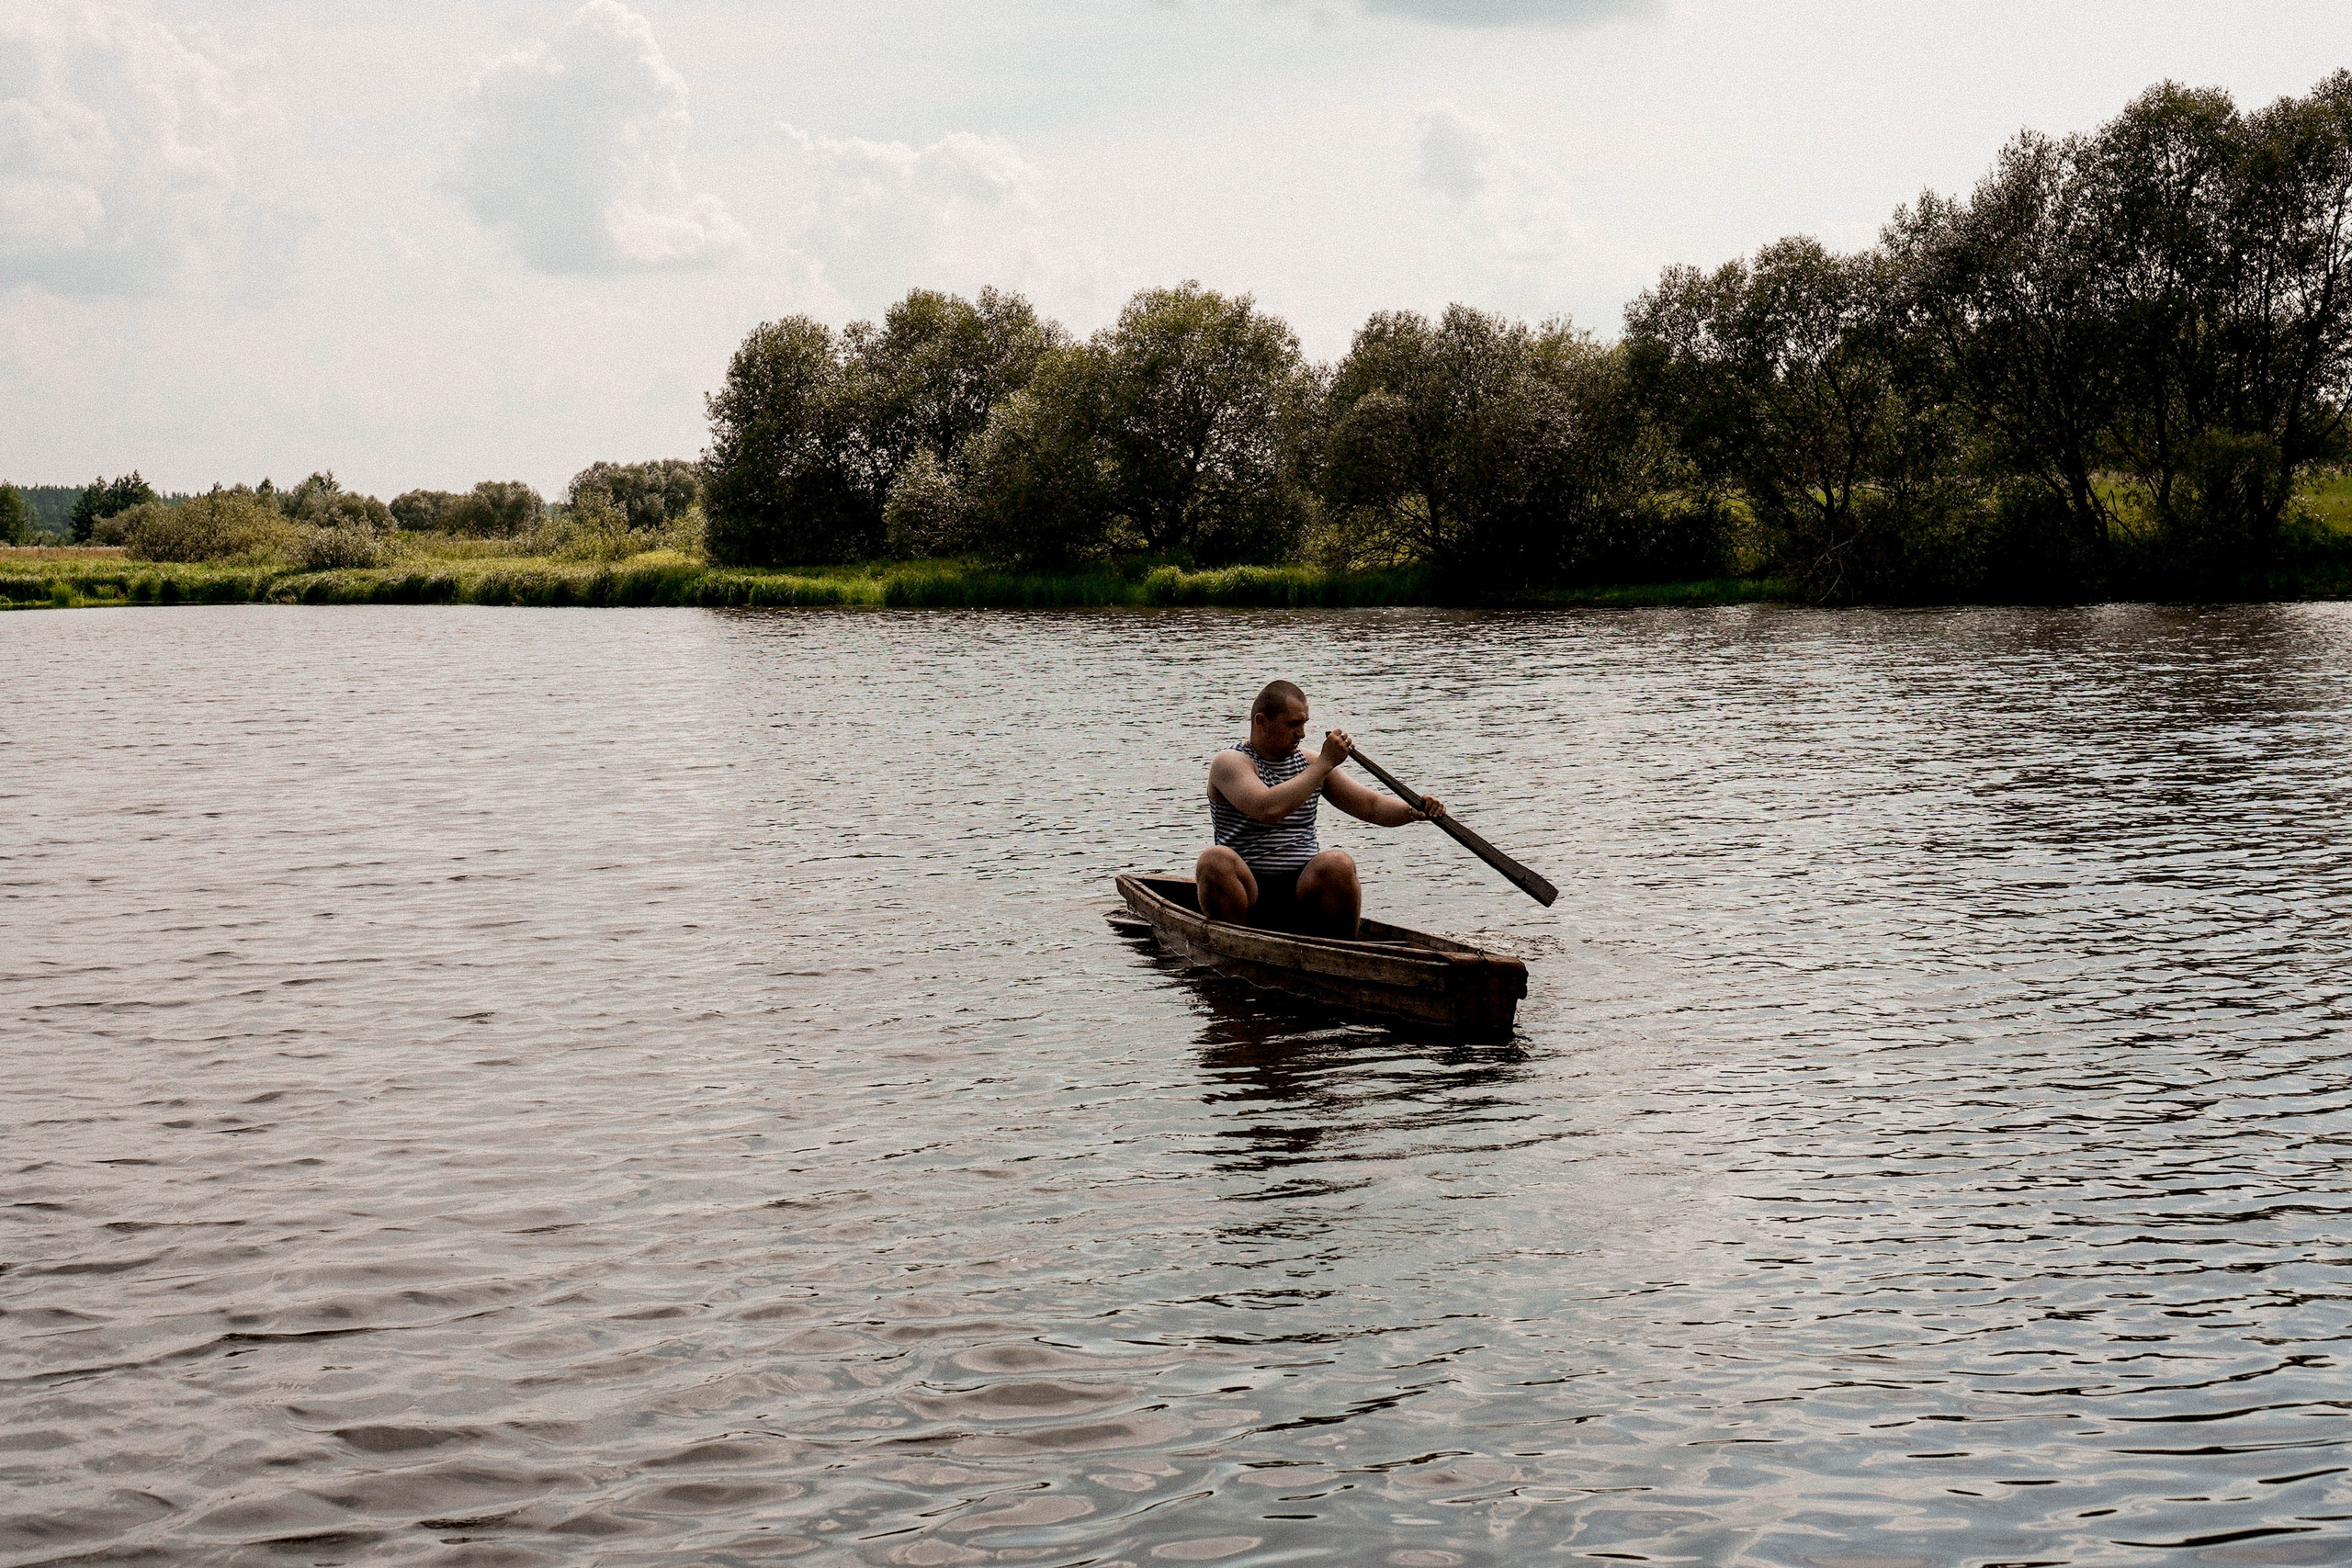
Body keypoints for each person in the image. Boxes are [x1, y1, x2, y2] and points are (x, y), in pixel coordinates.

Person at [1196, 680, 1443, 936]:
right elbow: (1267, 809)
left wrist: (1413, 810)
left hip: (1302, 889)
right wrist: (1325, 763)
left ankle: (1343, 953)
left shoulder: (1311, 764)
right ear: (1261, 722)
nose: (1302, 733)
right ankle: (1234, 943)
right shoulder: (1231, 762)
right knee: (1214, 860)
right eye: (1293, 724)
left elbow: (1370, 806)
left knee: (1338, 863)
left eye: (1304, 723)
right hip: (1247, 891)